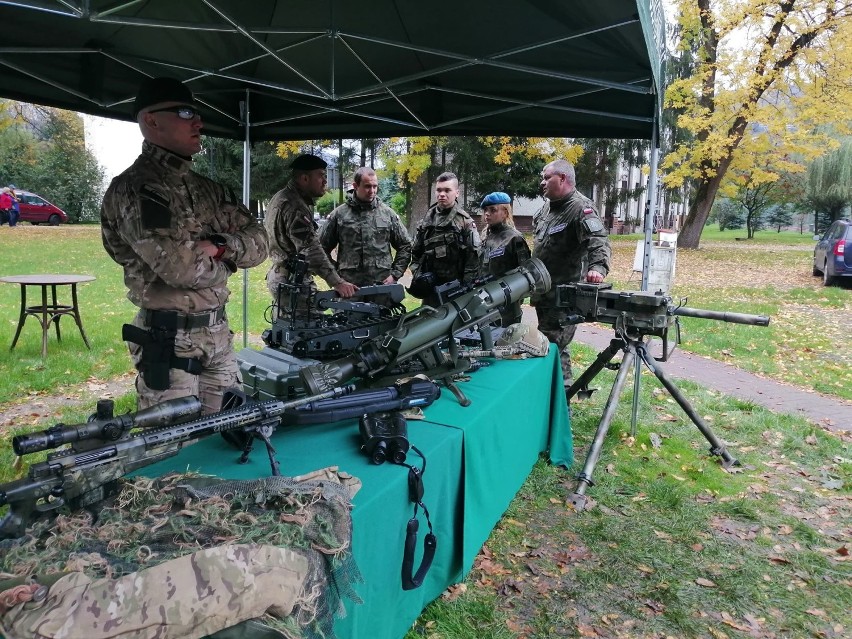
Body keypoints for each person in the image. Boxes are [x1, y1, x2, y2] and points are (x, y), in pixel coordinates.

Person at [101, 76, 269, 415]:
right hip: (169, 342)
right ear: (150, 120)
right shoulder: (137, 189)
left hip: (218, 336)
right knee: (174, 451)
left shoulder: (210, 189)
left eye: (195, 112)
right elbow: (181, 269)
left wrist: (220, 246)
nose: (197, 121)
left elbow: (262, 243)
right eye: (183, 112)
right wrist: (230, 263)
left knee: (230, 437)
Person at [531, 159, 611, 395]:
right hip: (545, 293)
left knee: (548, 346)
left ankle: (552, 400)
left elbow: (598, 241)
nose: (542, 182)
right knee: (557, 350)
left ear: (562, 179)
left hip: (565, 296)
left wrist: (597, 268)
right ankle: (562, 399)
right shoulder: (545, 210)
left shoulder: (580, 208)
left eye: (547, 178)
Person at [265, 154, 357, 317]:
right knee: (307, 333)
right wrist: (337, 282)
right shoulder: (295, 206)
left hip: (283, 276)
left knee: (287, 327)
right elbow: (310, 249)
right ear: (305, 178)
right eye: (320, 175)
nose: (325, 181)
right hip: (294, 282)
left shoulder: (281, 197)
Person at [320, 167, 412, 308]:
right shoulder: (339, 215)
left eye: (375, 186)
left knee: (384, 328)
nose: (372, 191)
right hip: (350, 291)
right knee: (347, 327)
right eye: (367, 186)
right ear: (355, 186)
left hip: (381, 289)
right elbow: (320, 248)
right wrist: (336, 278)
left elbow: (405, 245)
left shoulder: (387, 214)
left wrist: (395, 274)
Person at [409, 171, 480, 307]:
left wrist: (465, 288)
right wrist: (419, 276)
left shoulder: (465, 222)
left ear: (457, 193)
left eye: (447, 190)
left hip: (456, 291)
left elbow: (473, 260)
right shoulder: (426, 221)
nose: (442, 194)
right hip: (430, 291)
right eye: (439, 190)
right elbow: (416, 253)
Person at [478, 191, 531, 326]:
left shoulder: (514, 238)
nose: (487, 214)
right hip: (485, 301)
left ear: (505, 212)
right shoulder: (485, 236)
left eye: (493, 210)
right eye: (485, 210)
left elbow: (524, 273)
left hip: (506, 305)